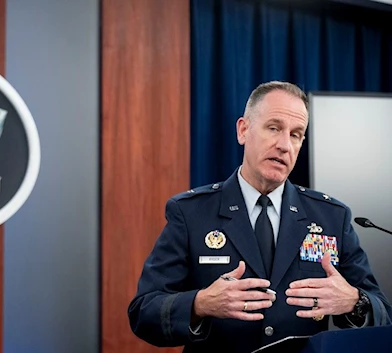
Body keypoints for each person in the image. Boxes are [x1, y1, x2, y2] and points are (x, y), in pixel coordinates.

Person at [127, 81, 392, 352]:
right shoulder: (191, 212)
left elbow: (383, 311)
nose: (284, 145)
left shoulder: (331, 217)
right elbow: (143, 311)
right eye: (274, 128)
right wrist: (201, 303)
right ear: (243, 130)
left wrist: (354, 301)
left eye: (296, 134)